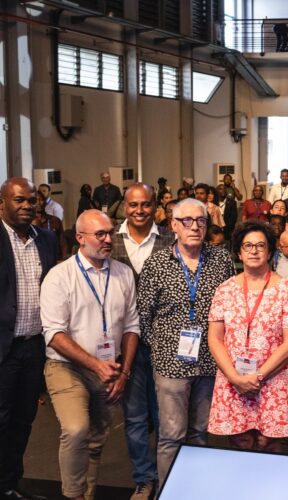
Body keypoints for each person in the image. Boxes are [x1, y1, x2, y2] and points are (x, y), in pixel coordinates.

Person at [41, 210, 140, 500]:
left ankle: (87, 495)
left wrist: (124, 372)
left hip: (110, 368)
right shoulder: (59, 276)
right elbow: (54, 334)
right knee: (76, 430)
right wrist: (96, 366)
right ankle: (73, 495)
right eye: (100, 234)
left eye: (110, 233)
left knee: (97, 440)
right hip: (66, 368)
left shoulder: (123, 273)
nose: (108, 239)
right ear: (80, 238)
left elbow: (131, 326)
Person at [136, 198, 235, 482]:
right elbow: (144, 315)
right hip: (171, 364)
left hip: (210, 361)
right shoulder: (156, 264)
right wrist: (162, 348)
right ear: (174, 225)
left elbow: (231, 308)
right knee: (171, 435)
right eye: (187, 221)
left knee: (200, 433)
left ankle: (194, 489)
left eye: (201, 221)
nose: (195, 227)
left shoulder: (221, 260)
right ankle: (169, 491)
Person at [207, 221, 288, 451]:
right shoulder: (225, 290)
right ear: (239, 252)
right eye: (247, 246)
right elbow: (215, 339)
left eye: (260, 245)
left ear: (269, 252)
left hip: (273, 379)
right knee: (241, 442)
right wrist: (235, 378)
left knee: (268, 443)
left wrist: (259, 376)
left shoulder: (285, 289)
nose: (254, 251)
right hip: (233, 379)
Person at [109, 183, 173, 499]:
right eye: (133, 205)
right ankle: (144, 479)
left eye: (145, 204)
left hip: (164, 345)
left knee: (165, 419)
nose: (139, 210)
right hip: (124, 344)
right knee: (134, 418)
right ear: (125, 205)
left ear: (155, 206)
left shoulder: (171, 240)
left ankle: (166, 479)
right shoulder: (109, 239)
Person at [0, 178, 58, 500]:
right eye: (19, 200)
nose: (27, 206)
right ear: (2, 203)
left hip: (35, 347)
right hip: (3, 350)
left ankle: (10, 484)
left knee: (24, 421)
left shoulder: (47, 239)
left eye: (31, 200)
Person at [32, 190, 65, 261]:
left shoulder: (55, 220)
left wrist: (63, 260)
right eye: (35, 200)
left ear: (45, 202)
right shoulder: (28, 223)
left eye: (41, 200)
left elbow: (62, 243)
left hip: (56, 260)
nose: (38, 203)